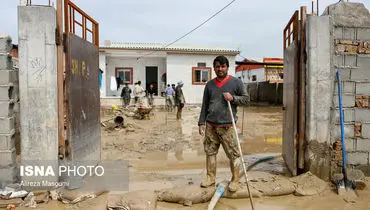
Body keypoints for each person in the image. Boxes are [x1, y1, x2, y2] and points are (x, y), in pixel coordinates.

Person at [198, 55, 249, 192]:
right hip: (211, 125)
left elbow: (246, 100)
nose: (220, 69)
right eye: (217, 66)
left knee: (234, 154)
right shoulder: (209, 85)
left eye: (223, 66)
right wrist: (201, 122)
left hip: (227, 126)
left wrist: (233, 98)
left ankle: (235, 180)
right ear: (214, 68)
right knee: (210, 152)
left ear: (227, 67)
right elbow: (205, 105)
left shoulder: (236, 83)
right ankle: (210, 178)